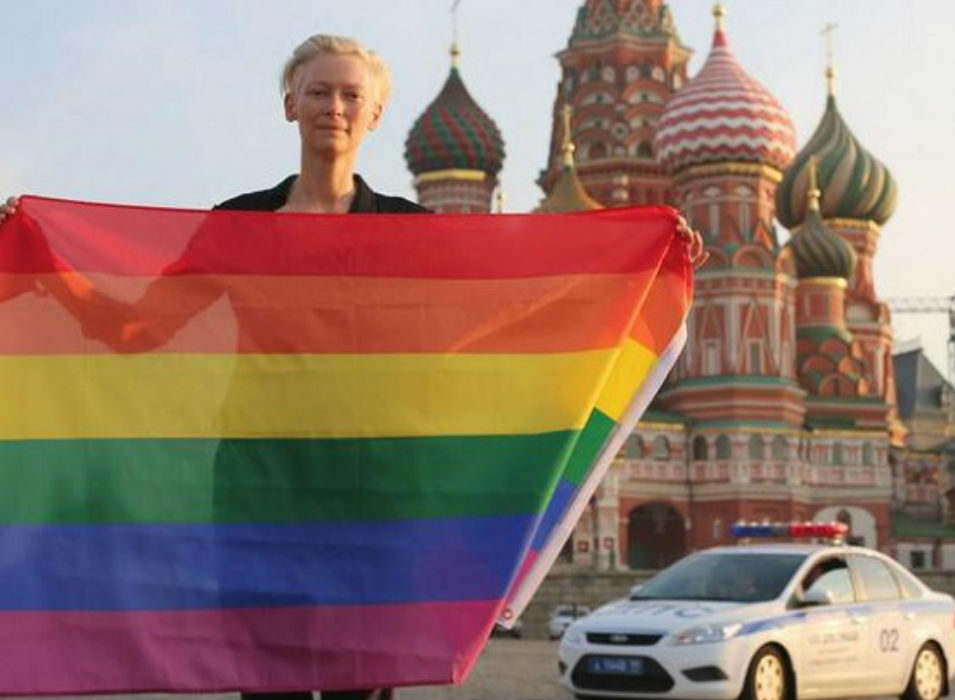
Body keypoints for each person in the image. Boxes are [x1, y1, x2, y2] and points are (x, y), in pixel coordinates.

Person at [0, 32, 704, 700]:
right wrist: (44, 263)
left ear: (373, 114)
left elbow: (512, 311)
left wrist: (647, 258)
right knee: (264, 673)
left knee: (359, 684)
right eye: (317, 92)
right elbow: (135, 329)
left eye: (348, 96)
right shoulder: (240, 225)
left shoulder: (406, 232)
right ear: (290, 105)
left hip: (371, 489)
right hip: (257, 484)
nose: (332, 108)